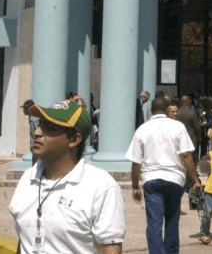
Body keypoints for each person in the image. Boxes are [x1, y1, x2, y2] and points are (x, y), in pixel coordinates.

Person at [9, 99, 125, 253]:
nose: (36, 133)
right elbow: (25, 240)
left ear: (74, 139)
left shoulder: (101, 187)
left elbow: (110, 248)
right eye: (40, 125)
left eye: (50, 128)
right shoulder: (27, 179)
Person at [126, 96, 202, 254]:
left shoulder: (142, 129)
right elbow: (186, 155)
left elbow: (136, 162)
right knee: (172, 221)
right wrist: (195, 180)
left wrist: (135, 186)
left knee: (154, 223)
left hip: (151, 180)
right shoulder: (178, 127)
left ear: (151, 110)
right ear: (167, 110)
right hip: (174, 179)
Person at [21, 99, 39, 164]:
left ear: (28, 109)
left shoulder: (34, 119)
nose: (23, 110)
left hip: (37, 148)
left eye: (24, 108)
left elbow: (39, 133)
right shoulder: (31, 118)